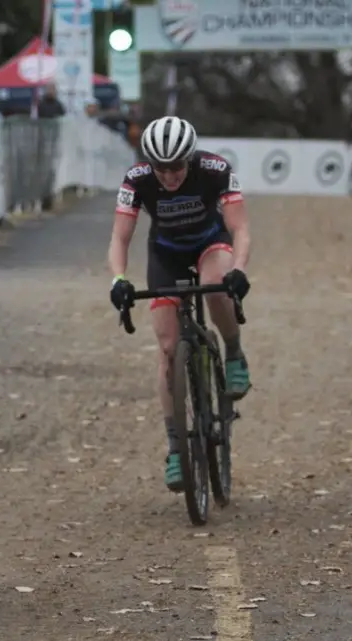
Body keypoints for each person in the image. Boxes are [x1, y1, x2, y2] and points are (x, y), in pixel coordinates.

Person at [107, 116, 252, 493]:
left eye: (176, 168)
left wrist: (238, 269)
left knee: (213, 283)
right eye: (161, 169)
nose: (169, 177)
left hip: (210, 243)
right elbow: (120, 238)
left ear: (191, 159)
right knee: (169, 349)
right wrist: (118, 279)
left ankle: (233, 351)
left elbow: (240, 228)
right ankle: (175, 447)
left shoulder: (215, 169)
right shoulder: (136, 179)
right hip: (166, 253)